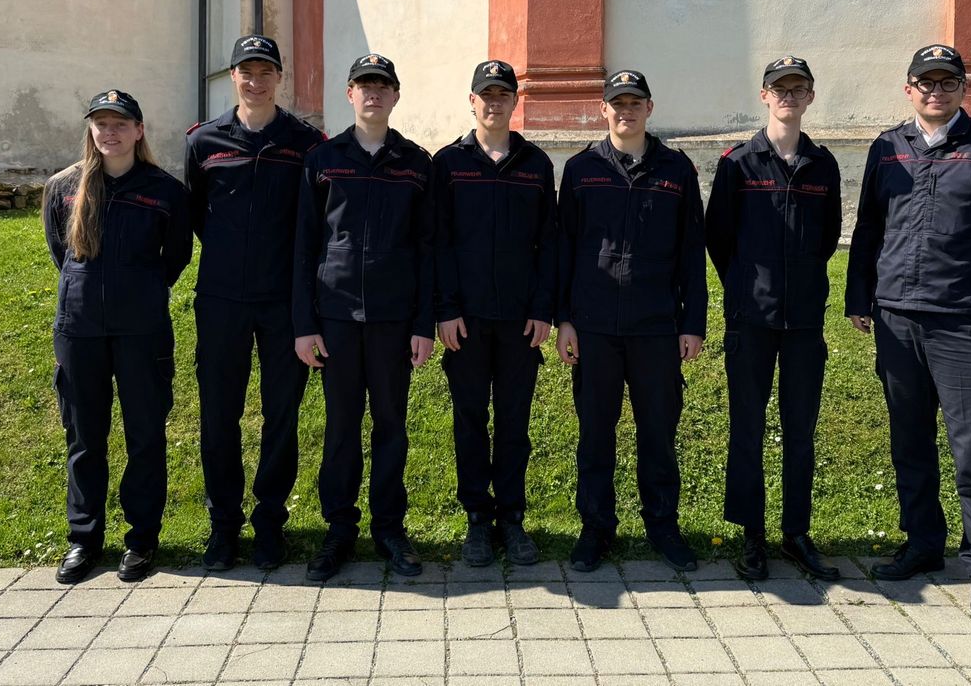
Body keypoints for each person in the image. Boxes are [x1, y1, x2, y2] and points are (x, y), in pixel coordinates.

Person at [845, 44, 971, 623]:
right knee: (909, 440)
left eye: (947, 82)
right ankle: (923, 544)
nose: (936, 91)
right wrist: (861, 297)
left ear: (962, 88)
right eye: (925, 82)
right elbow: (869, 227)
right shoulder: (888, 147)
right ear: (909, 89)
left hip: (965, 323)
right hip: (897, 319)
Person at [556, 69, 708, 572]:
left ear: (649, 108)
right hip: (595, 326)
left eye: (635, 102)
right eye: (617, 103)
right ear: (603, 109)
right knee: (595, 433)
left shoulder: (677, 171)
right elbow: (565, 251)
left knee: (658, 433)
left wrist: (693, 322)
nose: (626, 110)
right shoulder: (581, 170)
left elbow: (692, 252)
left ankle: (663, 526)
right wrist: (565, 320)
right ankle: (596, 530)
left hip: (656, 326)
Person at [184, 35, 325, 571]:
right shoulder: (204, 141)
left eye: (265, 71)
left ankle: (269, 523)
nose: (256, 80)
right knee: (219, 414)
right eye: (246, 71)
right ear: (233, 77)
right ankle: (223, 526)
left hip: (283, 301)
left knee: (280, 415)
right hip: (220, 300)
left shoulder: (306, 143)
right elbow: (198, 215)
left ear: (279, 78)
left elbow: (313, 221)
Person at [293, 53, 435, 581]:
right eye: (363, 85)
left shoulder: (416, 164)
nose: (373, 94)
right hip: (334, 318)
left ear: (396, 96)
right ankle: (338, 529)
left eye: (383, 86)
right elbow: (304, 248)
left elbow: (427, 250)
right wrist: (303, 324)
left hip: (395, 320)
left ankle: (390, 529)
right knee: (341, 428)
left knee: (392, 427)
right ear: (349, 94)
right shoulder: (323, 160)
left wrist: (424, 323)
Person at [43, 89, 192, 584]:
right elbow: (61, 254)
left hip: (142, 331)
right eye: (101, 123)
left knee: (145, 435)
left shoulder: (166, 191)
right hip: (80, 329)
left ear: (139, 130)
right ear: (91, 130)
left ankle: (142, 539)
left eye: (120, 123)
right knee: (85, 438)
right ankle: (84, 540)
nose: (110, 132)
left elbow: (175, 258)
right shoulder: (63, 187)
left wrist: (141, 294)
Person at [705, 56, 842, 581]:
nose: (788, 95)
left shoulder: (822, 165)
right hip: (751, 320)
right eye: (779, 87)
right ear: (764, 95)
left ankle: (796, 533)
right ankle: (752, 535)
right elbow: (718, 237)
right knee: (747, 428)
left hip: (805, 321)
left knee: (800, 431)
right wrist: (744, 287)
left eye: (798, 88)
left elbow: (827, 237)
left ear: (810, 96)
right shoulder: (738, 163)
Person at [433, 60, 557, 567]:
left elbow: (549, 243)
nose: (494, 102)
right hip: (465, 320)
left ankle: (512, 517)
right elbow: (437, 242)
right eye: (486, 93)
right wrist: (444, 309)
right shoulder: (448, 163)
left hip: (519, 321)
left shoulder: (536, 163)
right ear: (472, 100)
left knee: (513, 422)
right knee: (469, 421)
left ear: (514, 102)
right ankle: (477, 521)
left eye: (503, 93)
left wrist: (544, 308)